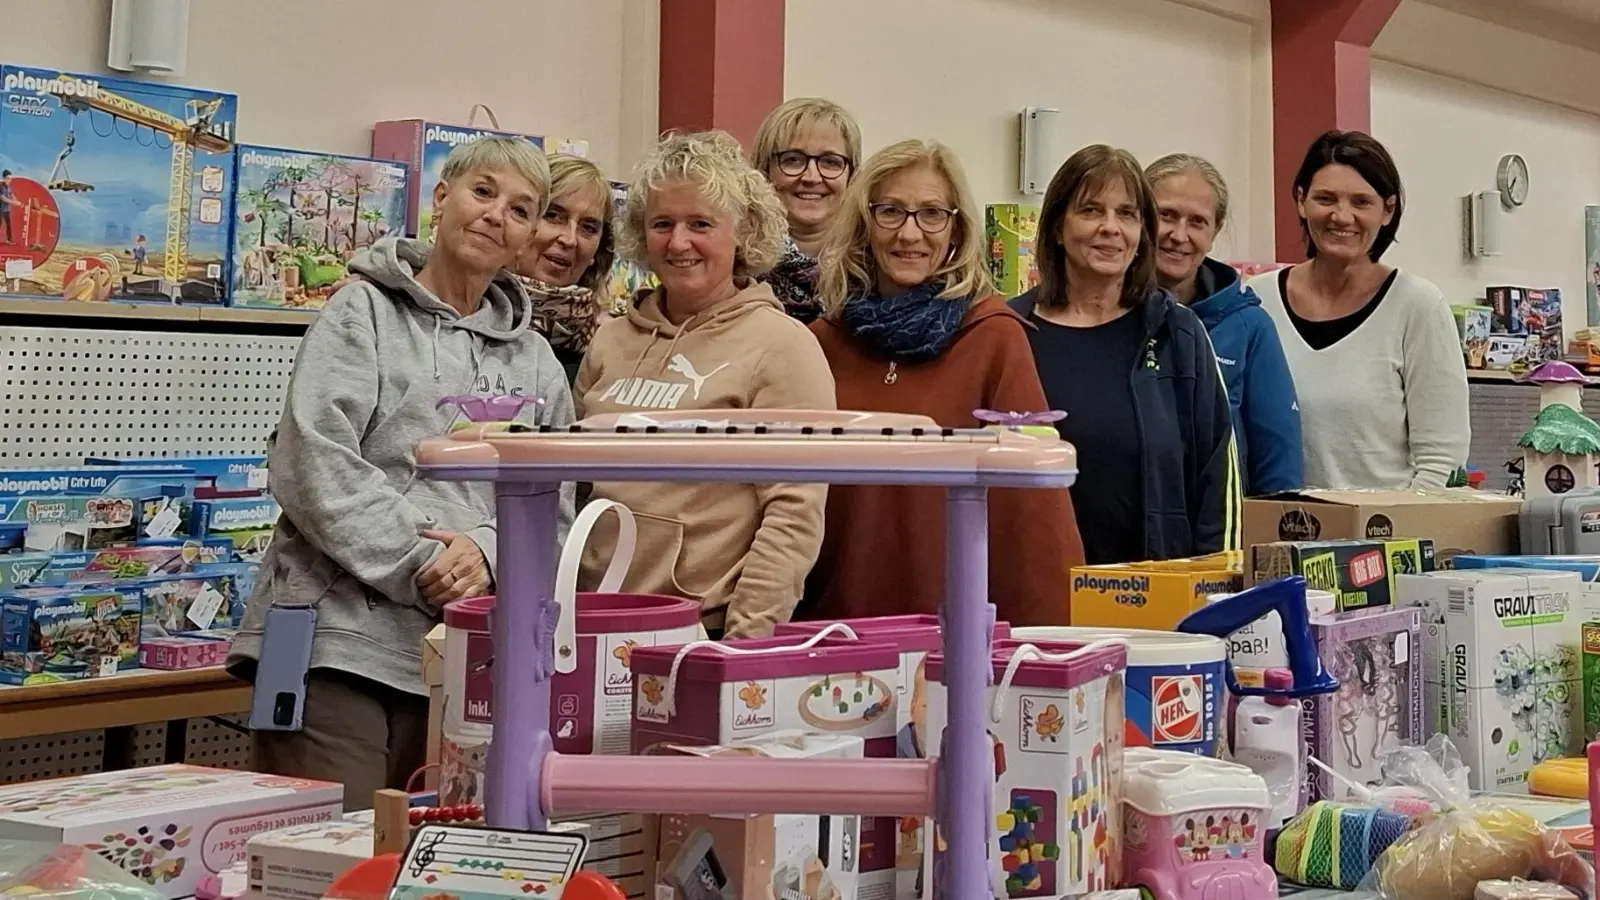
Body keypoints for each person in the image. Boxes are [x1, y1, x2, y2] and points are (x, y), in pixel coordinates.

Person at [228, 137, 576, 807]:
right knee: (337, 849)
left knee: (442, 850)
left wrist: (488, 555)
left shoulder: (536, 362)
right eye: (483, 192)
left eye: (521, 209)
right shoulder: (360, 313)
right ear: (442, 198)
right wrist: (425, 562)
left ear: (530, 233)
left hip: (469, 658)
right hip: (335, 647)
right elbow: (312, 463)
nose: (497, 215)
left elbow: (554, 511)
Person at [802, 139, 1084, 626]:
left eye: (932, 214)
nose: (909, 233)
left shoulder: (993, 338)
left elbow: (1033, 516)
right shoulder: (822, 344)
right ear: (864, 224)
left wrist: (1043, 642)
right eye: (890, 211)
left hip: (955, 633)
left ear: (957, 230)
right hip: (831, 628)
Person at [574, 131, 835, 639]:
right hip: (590, 626)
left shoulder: (783, 347)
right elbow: (572, 491)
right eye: (662, 224)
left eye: (700, 224)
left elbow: (794, 516)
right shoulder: (610, 341)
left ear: (742, 232)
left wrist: (744, 646)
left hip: (703, 633)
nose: (678, 243)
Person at [1011, 144, 1240, 565]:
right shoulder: (1009, 334)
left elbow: (1217, 485)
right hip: (1034, 587)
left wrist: (1217, 585)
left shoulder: (1179, 334)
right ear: (1058, 226)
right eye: (1091, 211)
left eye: (1127, 214)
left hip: (1156, 591)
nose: (1110, 228)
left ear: (1141, 235)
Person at [1248, 130, 1468, 489]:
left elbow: (1442, 460)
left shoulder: (1418, 307)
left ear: (1388, 210)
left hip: (1385, 524)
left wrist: (1397, 521)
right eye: (1325, 198)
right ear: (1301, 200)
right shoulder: (1256, 301)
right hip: (1274, 520)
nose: (1341, 216)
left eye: (1361, 202)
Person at [1145, 153, 1302, 495]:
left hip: (1220, 526)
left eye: (1197, 222)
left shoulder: (1247, 326)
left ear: (1215, 231)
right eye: (1166, 215)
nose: (1179, 235)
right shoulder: (1107, 315)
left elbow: (1278, 468)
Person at [750, 97, 862, 322]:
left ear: (851, 176)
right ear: (764, 171)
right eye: (793, 160)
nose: (812, 177)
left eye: (830, 162)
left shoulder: (873, 270)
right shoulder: (737, 269)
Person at [516, 154, 616, 383]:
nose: (570, 239)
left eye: (588, 228)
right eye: (553, 216)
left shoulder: (610, 349)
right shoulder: (467, 318)